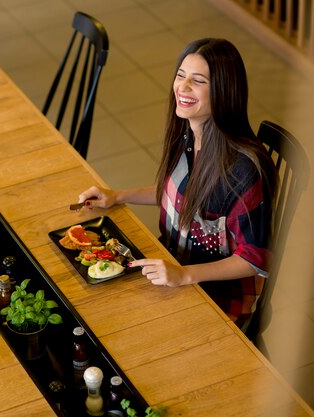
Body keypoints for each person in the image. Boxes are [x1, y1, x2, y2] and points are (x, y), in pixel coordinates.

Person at [78, 38, 277, 328]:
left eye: (197, 81)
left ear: (223, 92)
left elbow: (255, 258)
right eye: (180, 75)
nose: (182, 88)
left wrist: (185, 275)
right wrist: (117, 196)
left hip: (218, 296)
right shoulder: (187, 133)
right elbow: (177, 196)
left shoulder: (244, 171)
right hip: (172, 263)